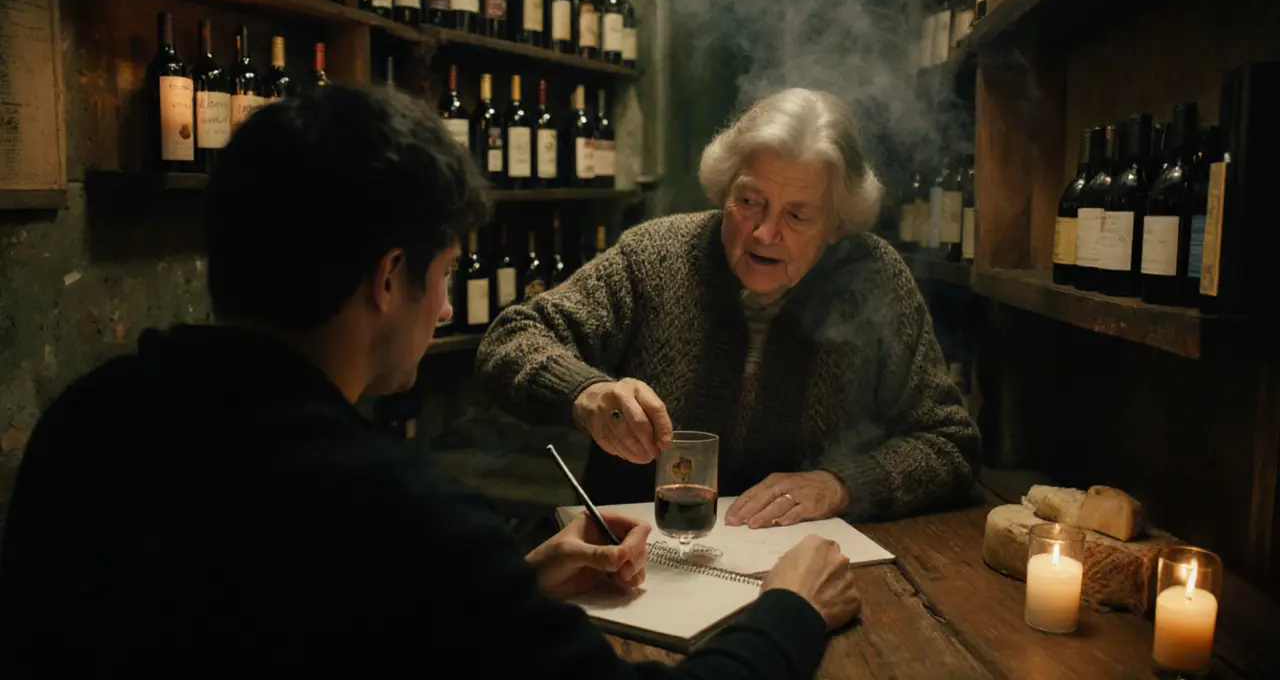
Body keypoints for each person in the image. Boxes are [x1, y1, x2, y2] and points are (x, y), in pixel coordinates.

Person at [0, 85, 861, 677]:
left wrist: (510, 587)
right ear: (389, 280)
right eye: (447, 272)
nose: (449, 305)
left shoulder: (83, 425)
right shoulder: (398, 515)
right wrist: (785, 610)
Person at [476, 88, 981, 528]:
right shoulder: (655, 256)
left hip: (805, 564)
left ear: (836, 226)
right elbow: (509, 340)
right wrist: (586, 393)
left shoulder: (874, 280)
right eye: (749, 202)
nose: (764, 233)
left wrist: (841, 485)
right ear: (724, 190)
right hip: (640, 558)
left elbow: (950, 444)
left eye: (798, 214)